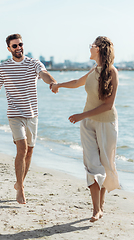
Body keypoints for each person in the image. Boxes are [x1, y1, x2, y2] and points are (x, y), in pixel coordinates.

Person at [51, 36, 120, 222]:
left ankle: (101, 206)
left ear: (98, 49)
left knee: (105, 165)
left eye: (91, 46)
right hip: (88, 124)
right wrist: (58, 85)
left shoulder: (112, 72)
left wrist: (82, 115)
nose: (89, 48)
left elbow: (107, 105)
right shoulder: (94, 70)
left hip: (106, 123)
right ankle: (96, 210)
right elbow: (76, 82)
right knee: (91, 165)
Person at [0, 33, 57, 204]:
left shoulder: (34, 63)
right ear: (8, 48)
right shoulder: (3, 68)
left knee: (30, 151)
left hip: (32, 114)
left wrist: (53, 82)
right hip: (15, 114)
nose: (18, 48)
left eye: (20, 44)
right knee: (22, 148)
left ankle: (19, 182)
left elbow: (44, 74)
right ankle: (21, 190)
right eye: (14, 46)